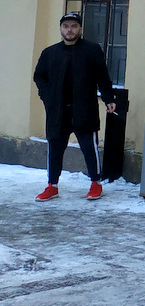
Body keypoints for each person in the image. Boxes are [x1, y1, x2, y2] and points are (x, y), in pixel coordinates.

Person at [32, 11, 117, 201]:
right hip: (58, 110)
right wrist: (47, 96)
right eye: (66, 26)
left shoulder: (91, 50)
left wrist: (108, 98)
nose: (69, 30)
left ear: (80, 29)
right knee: (55, 148)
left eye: (73, 26)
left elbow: (102, 76)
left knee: (89, 147)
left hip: (84, 108)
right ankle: (52, 186)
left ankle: (96, 183)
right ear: (61, 29)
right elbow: (39, 76)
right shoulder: (50, 53)